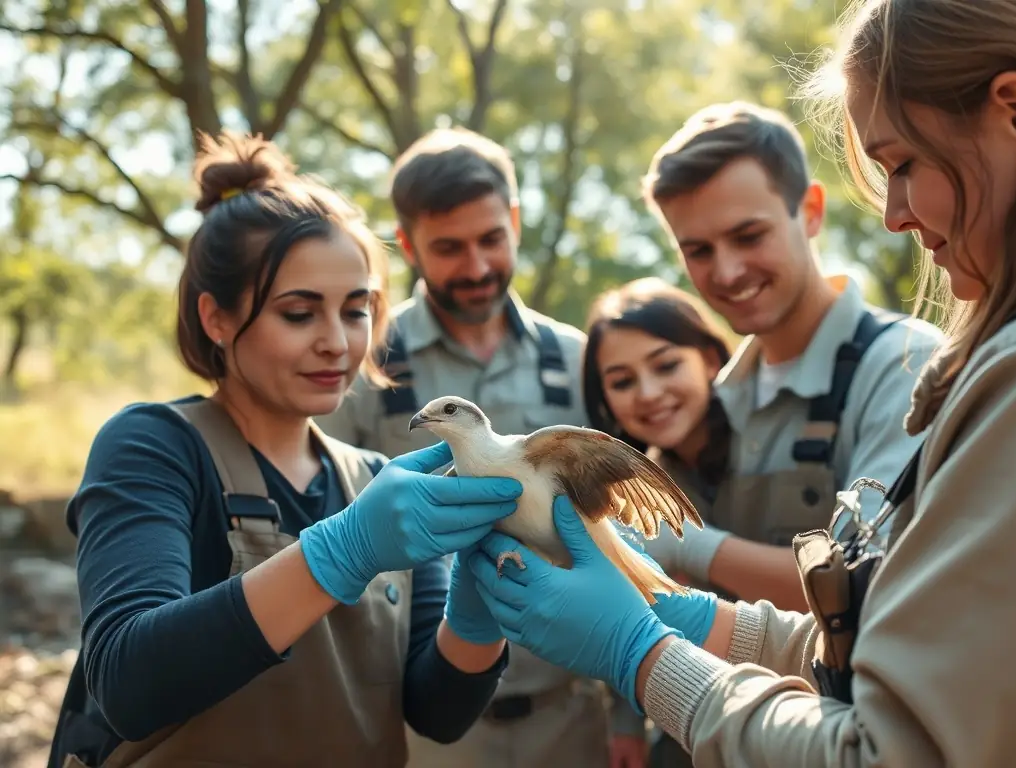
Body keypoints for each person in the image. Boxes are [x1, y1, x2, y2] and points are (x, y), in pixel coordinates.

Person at [469, 0, 1016, 764]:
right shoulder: (710, 408)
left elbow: (891, 742)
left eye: (903, 164)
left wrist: (644, 650)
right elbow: (875, 640)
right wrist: (685, 615)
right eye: (697, 250)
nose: (894, 213)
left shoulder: (944, 372)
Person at [47, 133, 525, 768]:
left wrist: (479, 608)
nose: (336, 342)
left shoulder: (375, 477)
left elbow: (435, 713)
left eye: (356, 311)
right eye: (299, 314)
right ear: (216, 318)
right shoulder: (154, 448)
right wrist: (341, 551)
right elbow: (129, 683)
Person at [316, 128, 608, 767]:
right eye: (449, 247)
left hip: (571, 717)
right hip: (427, 723)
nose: (476, 268)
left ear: (517, 221)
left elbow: (614, 530)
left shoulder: (580, 359)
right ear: (410, 243)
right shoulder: (361, 361)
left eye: (490, 239)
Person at [629, 99, 945, 614]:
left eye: (748, 236)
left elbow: (872, 583)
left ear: (812, 211)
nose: (727, 272)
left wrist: (690, 542)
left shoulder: (906, 365)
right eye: (699, 251)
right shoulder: (715, 400)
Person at [582, 277, 735, 768]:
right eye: (622, 381)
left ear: (711, 359)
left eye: (667, 365)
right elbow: (627, 607)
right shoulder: (627, 494)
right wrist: (626, 724)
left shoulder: (776, 443)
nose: (648, 393)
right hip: (691, 725)